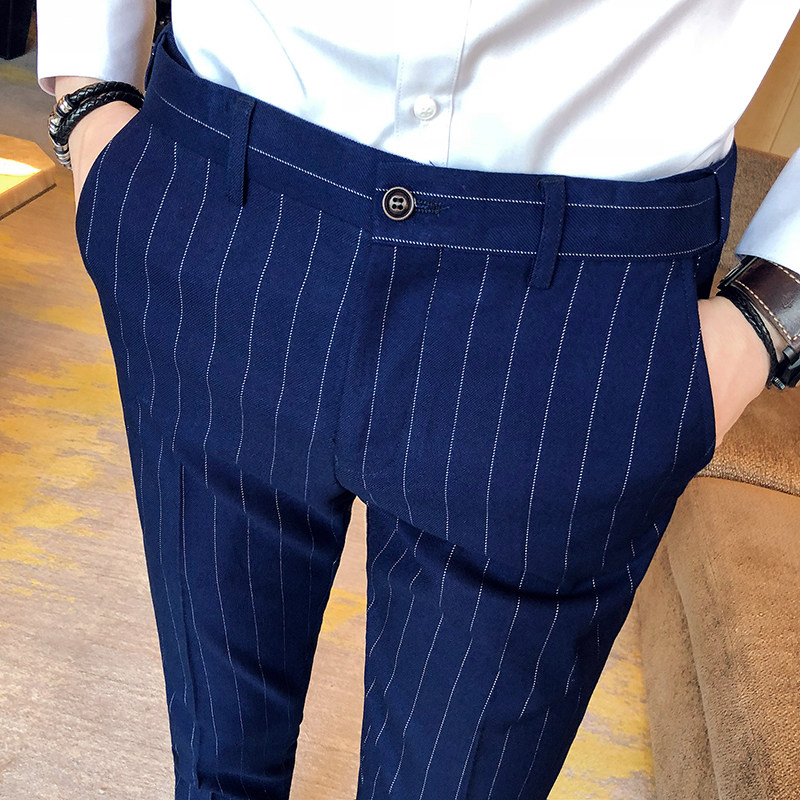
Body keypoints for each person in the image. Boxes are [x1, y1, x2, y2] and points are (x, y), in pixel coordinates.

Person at [36, 2, 800, 798]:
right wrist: (89, 93)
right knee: (213, 762)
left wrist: (769, 316)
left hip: (584, 304)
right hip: (219, 212)